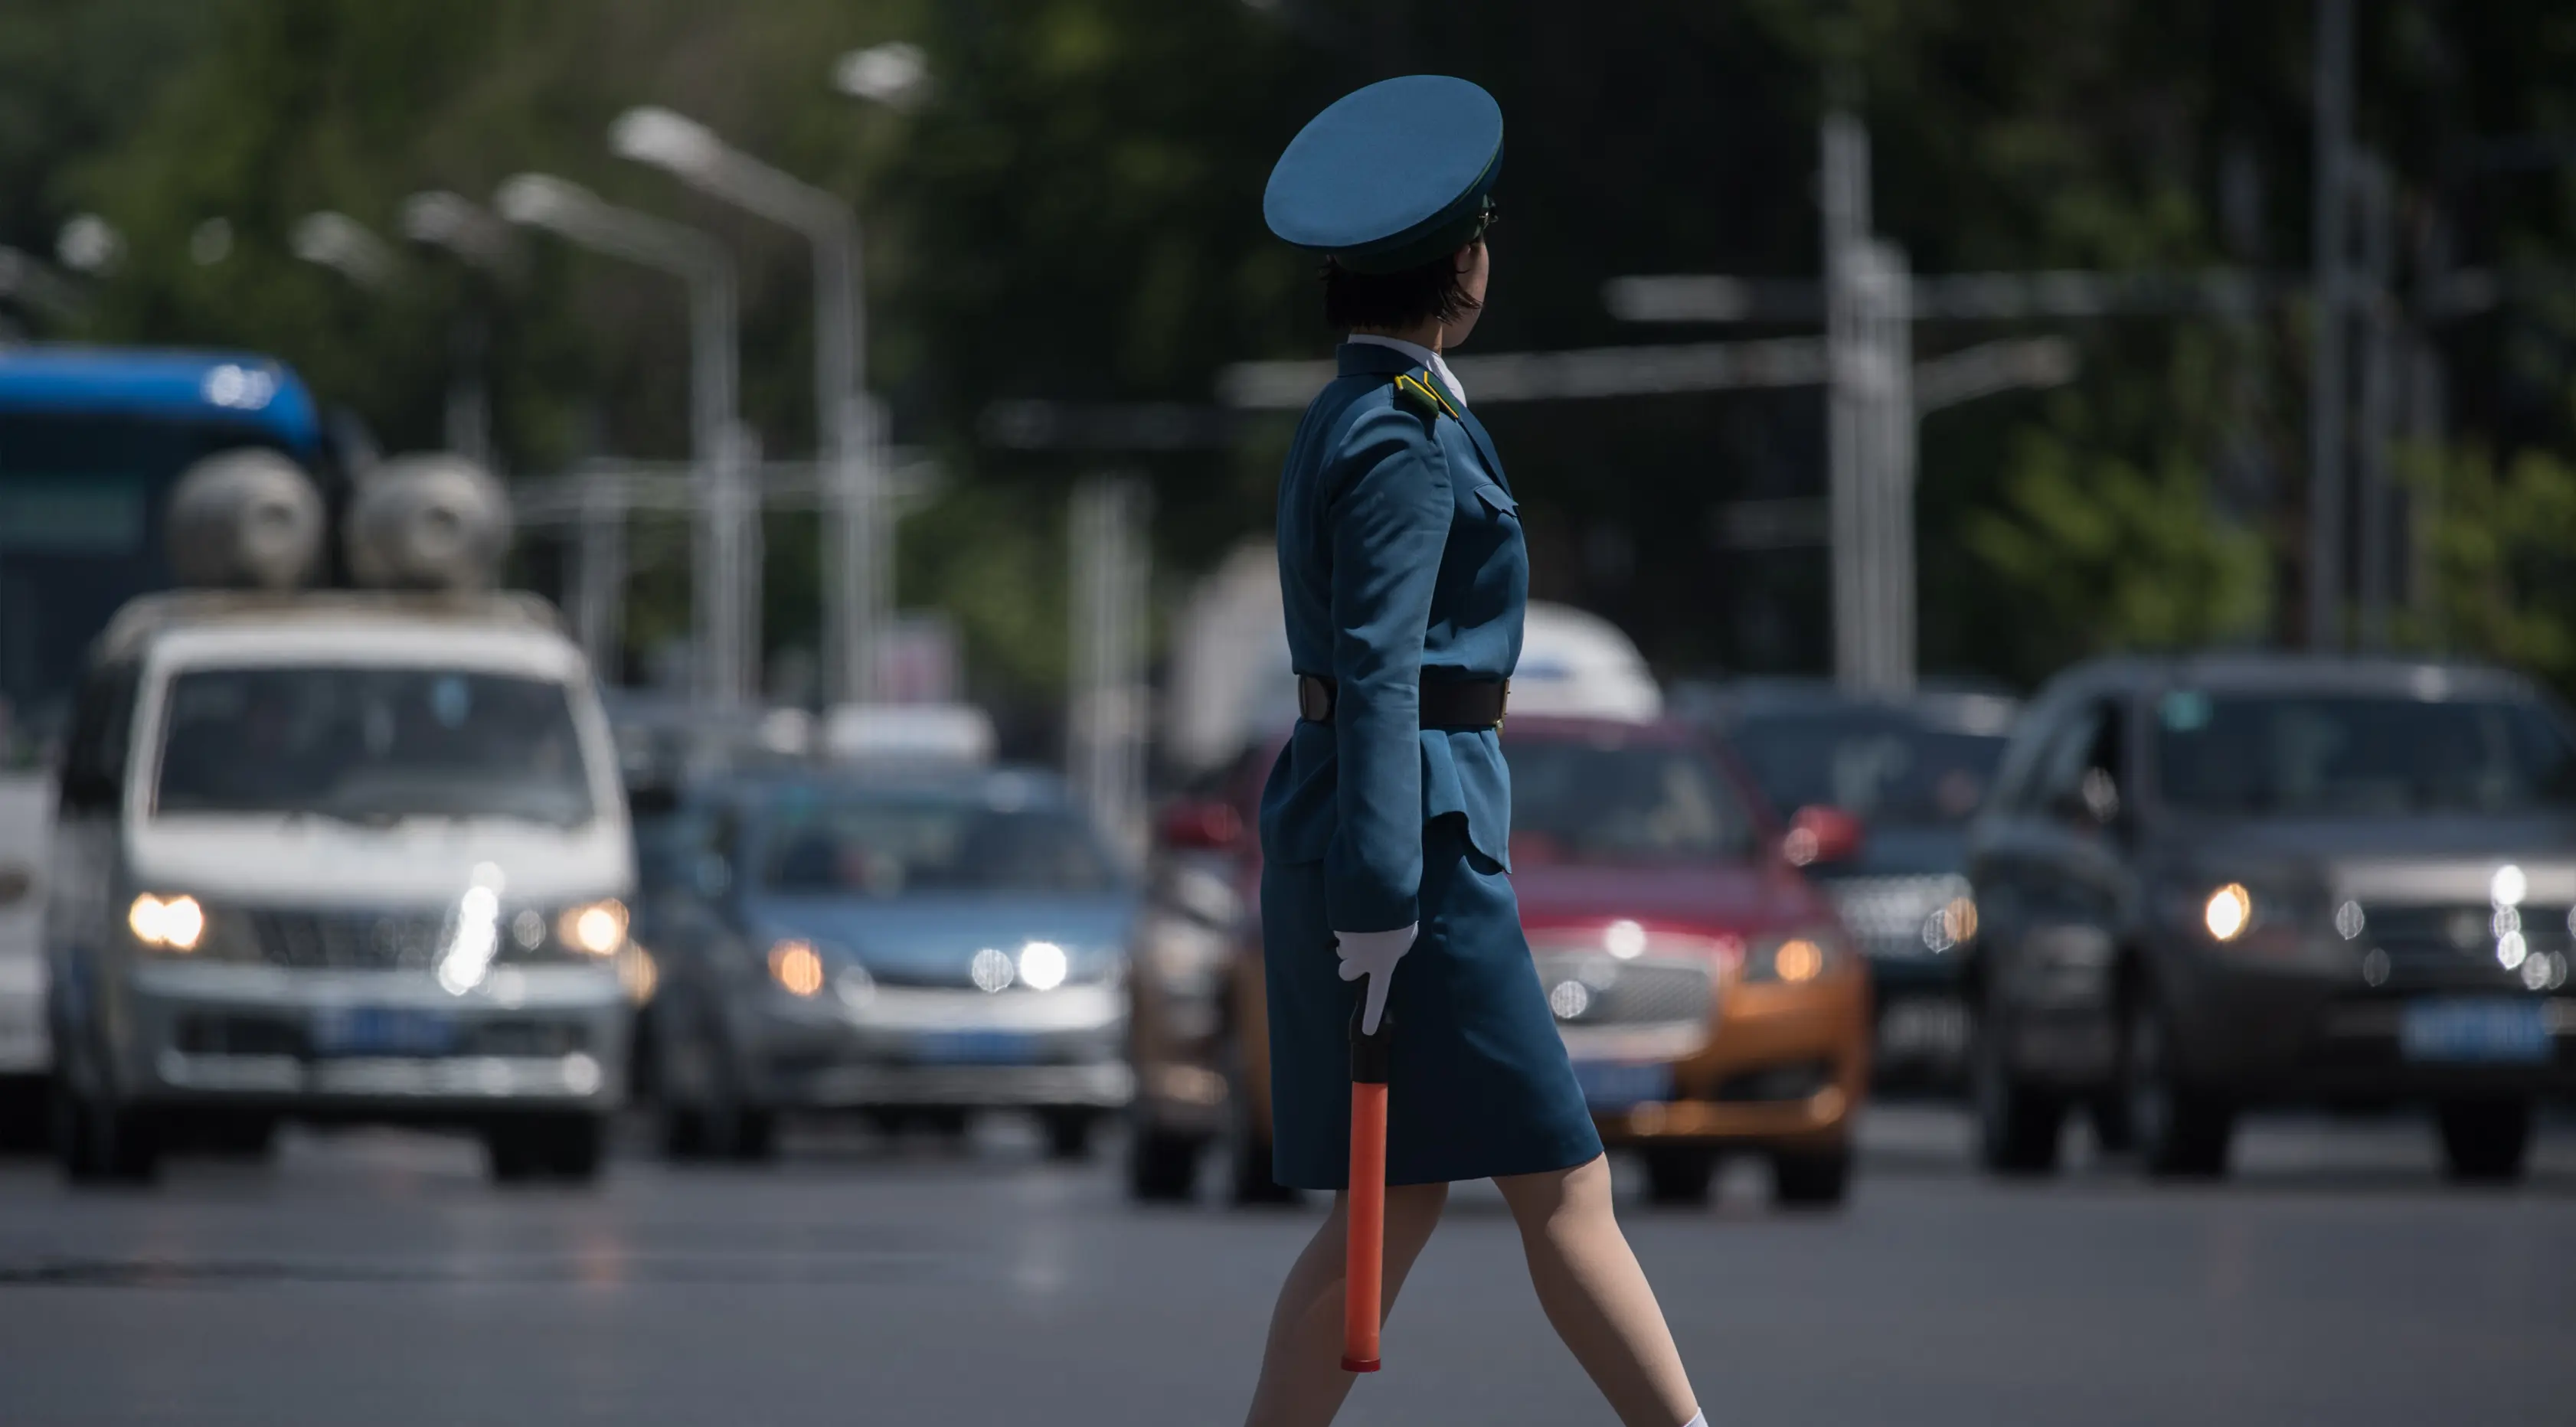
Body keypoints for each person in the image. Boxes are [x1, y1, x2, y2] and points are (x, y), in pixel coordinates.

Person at [1244, 75, 1705, 1427]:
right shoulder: (1402, 442)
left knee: (1395, 1209)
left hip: (1381, 830)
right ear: (1465, 265)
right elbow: (1384, 675)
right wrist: (1383, 897)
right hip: (1414, 858)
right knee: (1564, 1182)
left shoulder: (1361, 411)